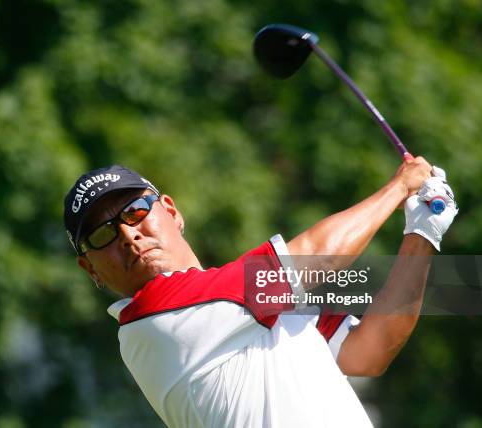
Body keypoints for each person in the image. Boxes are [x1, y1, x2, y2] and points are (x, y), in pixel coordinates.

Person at [63, 160, 458, 427]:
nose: (128, 235)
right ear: (91, 269)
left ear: (171, 210)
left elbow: (369, 350)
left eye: (134, 211)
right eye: (102, 235)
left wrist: (422, 234)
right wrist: (400, 185)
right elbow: (316, 257)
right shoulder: (157, 318)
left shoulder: (244, 311)